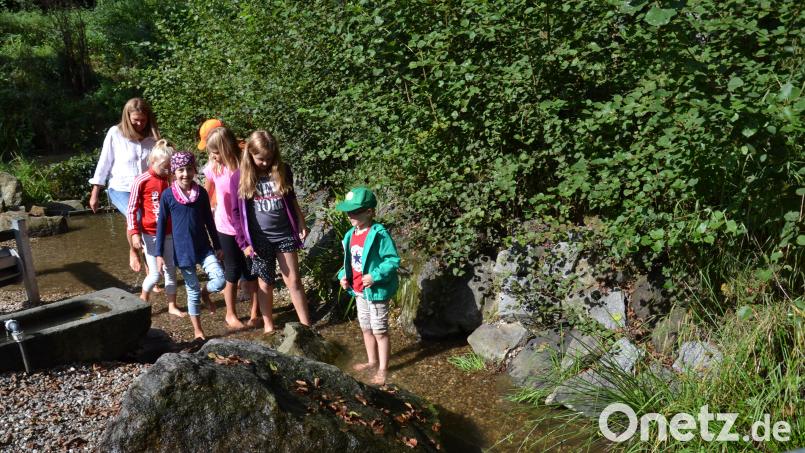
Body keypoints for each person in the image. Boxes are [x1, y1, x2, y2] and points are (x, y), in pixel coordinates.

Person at [231, 130, 310, 334]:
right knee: (265, 283)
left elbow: (292, 199)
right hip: (258, 240)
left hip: (284, 233)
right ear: (250, 154)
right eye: (260, 159)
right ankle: (268, 326)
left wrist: (301, 221)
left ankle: (306, 325)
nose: (265, 163)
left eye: (269, 158)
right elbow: (236, 214)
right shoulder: (239, 177)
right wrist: (243, 244)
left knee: (293, 280)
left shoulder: (283, 170)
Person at [156, 151, 225, 340]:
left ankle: (206, 293)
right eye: (180, 170)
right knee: (191, 289)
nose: (185, 174)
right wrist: (159, 254)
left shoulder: (201, 193)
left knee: (220, 279)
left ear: (194, 170)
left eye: (189, 169)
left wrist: (217, 245)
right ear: (173, 172)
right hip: (183, 251)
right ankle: (198, 330)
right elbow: (161, 225)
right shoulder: (168, 196)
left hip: (204, 247)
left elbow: (209, 222)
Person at [336, 187, 400, 385]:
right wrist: (342, 276)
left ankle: (383, 369)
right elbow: (349, 261)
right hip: (359, 290)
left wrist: (375, 275)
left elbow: (393, 260)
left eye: (355, 211)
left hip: (376, 290)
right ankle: (372, 361)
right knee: (365, 327)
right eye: (348, 211)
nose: (350, 215)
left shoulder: (379, 234)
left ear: (369, 212)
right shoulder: (350, 235)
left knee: (380, 330)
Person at [89, 97, 160, 273]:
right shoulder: (115, 133)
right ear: (127, 117)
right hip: (120, 188)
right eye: (135, 120)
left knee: (150, 222)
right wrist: (95, 192)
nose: (139, 124)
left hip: (145, 189)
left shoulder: (153, 137)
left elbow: (160, 164)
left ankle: (150, 268)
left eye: (143, 120)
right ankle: (135, 253)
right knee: (135, 217)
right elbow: (104, 162)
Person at [200, 122, 260, 330]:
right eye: (211, 152)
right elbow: (206, 196)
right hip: (224, 226)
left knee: (252, 270)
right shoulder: (213, 168)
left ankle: (255, 313)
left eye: (216, 152)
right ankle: (230, 314)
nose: (213, 156)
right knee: (232, 271)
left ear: (226, 148)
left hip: (247, 226)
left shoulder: (244, 164)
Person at [125, 139, 185, 317]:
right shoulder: (141, 180)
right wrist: (134, 233)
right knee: (155, 274)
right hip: (150, 234)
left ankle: (172, 305)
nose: (167, 171)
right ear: (152, 162)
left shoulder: (170, 180)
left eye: (169, 167)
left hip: (169, 232)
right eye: (163, 167)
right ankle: (143, 298)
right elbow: (131, 209)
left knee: (171, 269)